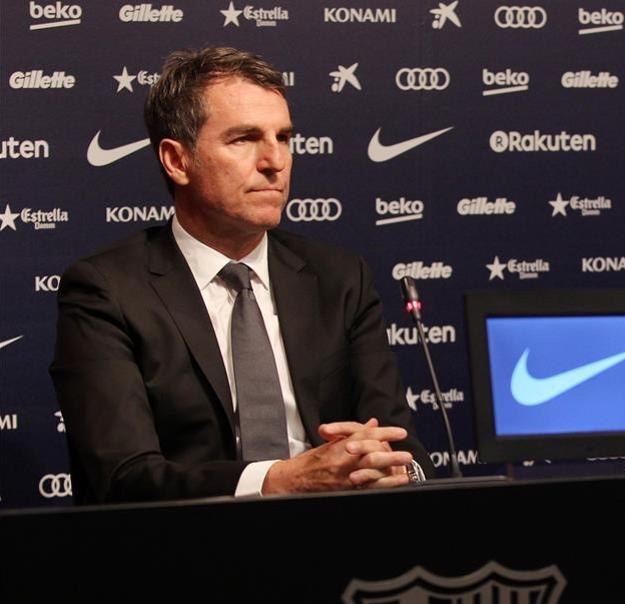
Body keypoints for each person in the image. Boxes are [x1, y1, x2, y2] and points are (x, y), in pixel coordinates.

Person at [51, 47, 433, 503]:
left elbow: (401, 445)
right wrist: (279, 482)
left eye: (284, 137)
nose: (275, 161)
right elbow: (123, 478)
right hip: (180, 552)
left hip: (337, 541)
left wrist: (395, 469)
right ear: (177, 160)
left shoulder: (339, 277)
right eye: (244, 139)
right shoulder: (107, 290)